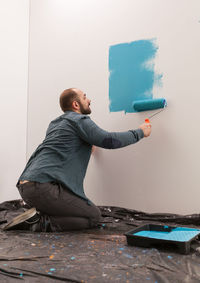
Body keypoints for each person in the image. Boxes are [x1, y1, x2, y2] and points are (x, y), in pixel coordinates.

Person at [3, 88, 151, 232]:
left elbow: (65, 145)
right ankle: (38, 223)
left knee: (79, 213)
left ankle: (36, 217)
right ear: (76, 104)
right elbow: (110, 141)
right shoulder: (79, 120)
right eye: (85, 97)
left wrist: (87, 145)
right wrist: (140, 132)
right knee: (93, 216)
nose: (89, 100)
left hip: (27, 187)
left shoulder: (56, 123)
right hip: (43, 187)